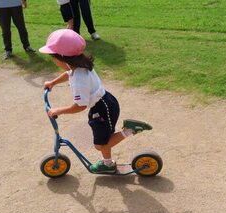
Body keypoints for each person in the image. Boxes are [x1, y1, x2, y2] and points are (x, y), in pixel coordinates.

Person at [39, 29, 152, 173]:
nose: (53, 61)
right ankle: (108, 162)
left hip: (102, 109)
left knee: (101, 144)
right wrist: (53, 82)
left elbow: (80, 106)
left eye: (53, 58)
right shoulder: (78, 65)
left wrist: (58, 111)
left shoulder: (79, 79)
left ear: (62, 58)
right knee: (102, 140)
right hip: (104, 103)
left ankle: (127, 134)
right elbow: (68, 73)